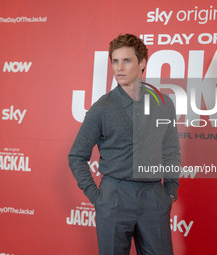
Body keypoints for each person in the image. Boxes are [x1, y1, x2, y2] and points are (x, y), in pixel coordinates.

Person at [68, 33, 181, 255]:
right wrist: (97, 198)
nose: (119, 68)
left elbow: (170, 150)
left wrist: (170, 190)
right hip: (114, 196)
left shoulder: (163, 103)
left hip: (154, 197)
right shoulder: (102, 108)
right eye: (115, 61)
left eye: (126, 61)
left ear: (142, 63)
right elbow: (76, 156)